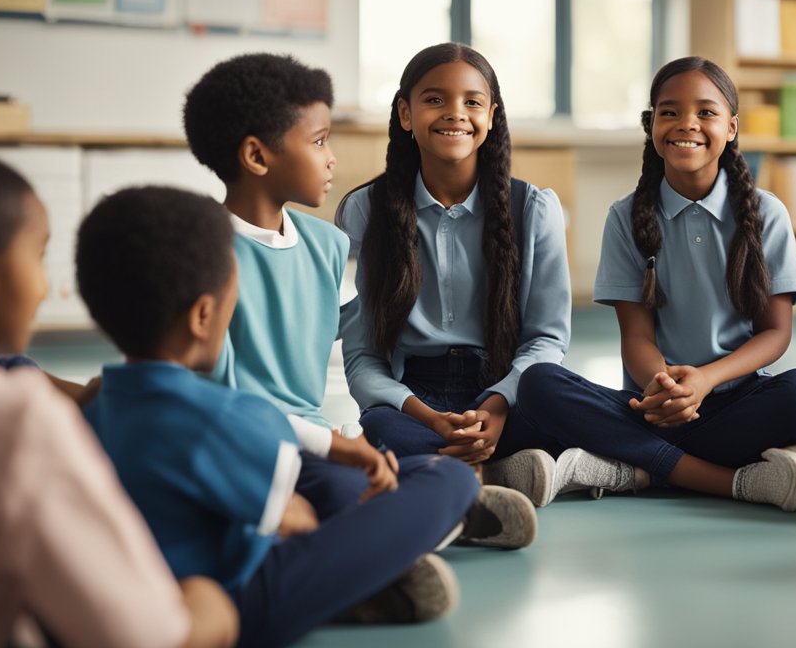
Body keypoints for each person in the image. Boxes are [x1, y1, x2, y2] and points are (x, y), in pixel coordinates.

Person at [79, 186, 486, 647]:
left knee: (384, 472)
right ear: (203, 315)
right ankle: (362, 582)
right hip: (235, 602)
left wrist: (334, 449)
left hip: (146, 582)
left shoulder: (95, 407)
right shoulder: (225, 417)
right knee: (448, 481)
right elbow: (298, 521)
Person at [182, 52, 535, 545]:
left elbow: (358, 338)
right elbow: (218, 402)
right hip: (241, 445)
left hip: (312, 446)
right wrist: (338, 443)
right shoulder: (205, 254)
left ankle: (430, 518)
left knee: (395, 477)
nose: (332, 158)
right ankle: (422, 531)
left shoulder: (327, 245)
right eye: (320, 141)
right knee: (304, 502)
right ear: (258, 157)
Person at [0, 142, 236, 648]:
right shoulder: (14, 419)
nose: (45, 287)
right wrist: (212, 605)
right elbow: (149, 636)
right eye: (38, 256)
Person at [514, 56, 796, 512]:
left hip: (735, 398)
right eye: (669, 112)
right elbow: (637, 337)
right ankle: (725, 481)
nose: (687, 124)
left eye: (706, 112)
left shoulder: (767, 214)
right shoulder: (625, 217)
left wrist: (705, 380)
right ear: (652, 125)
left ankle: (633, 469)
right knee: (538, 385)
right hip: (653, 404)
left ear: (732, 127)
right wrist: (664, 388)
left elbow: (775, 333)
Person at [336, 43, 570, 507]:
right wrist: (427, 416)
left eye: (472, 102)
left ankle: (443, 473)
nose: (455, 114)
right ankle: (493, 476)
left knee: (561, 396)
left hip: (503, 389)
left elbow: (548, 338)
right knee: (382, 424)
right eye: (434, 99)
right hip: (415, 395)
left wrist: (498, 405)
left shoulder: (534, 208)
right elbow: (363, 354)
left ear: (491, 115)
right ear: (405, 113)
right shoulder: (365, 210)